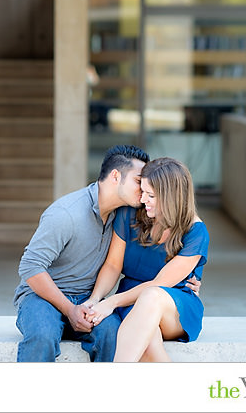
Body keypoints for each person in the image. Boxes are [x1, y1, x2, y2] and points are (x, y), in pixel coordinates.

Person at [13, 144, 149, 362]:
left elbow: (158, 250)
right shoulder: (67, 213)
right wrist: (69, 309)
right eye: (138, 180)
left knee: (112, 334)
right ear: (116, 176)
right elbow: (30, 266)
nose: (143, 188)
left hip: (89, 300)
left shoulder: (126, 216)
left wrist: (188, 279)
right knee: (42, 336)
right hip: (42, 298)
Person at [84, 156, 209, 362]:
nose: (142, 200)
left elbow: (160, 285)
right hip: (130, 300)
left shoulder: (195, 232)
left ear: (171, 198)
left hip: (174, 306)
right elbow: (113, 265)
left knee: (151, 296)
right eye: (142, 191)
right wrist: (96, 299)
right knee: (148, 343)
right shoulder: (129, 214)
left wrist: (112, 302)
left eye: (150, 195)